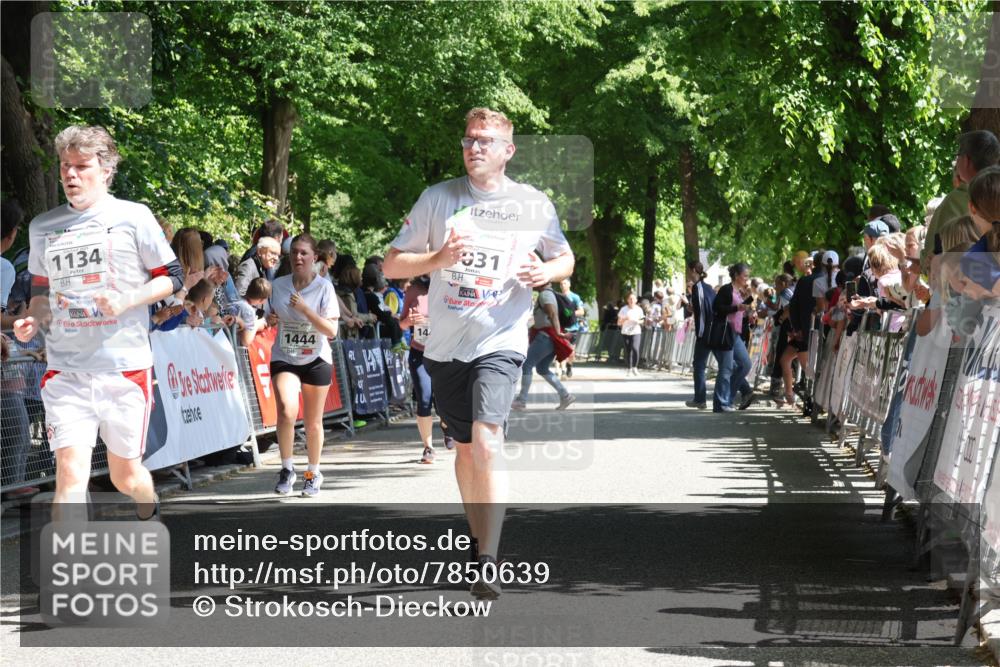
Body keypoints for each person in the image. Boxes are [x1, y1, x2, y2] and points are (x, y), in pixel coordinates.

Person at [382, 106, 574, 600]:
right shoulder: (438, 199)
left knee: (488, 440)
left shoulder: (533, 205)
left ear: (508, 151)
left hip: (501, 339)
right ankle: (477, 540)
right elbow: (392, 265)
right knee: (465, 451)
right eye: (468, 140)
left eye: (485, 141)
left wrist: (546, 274)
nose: (474, 148)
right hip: (445, 347)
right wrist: (438, 259)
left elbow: (563, 256)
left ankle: (488, 560)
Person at [13, 125, 184, 519]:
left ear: (105, 170)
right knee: (70, 477)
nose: (70, 175)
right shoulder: (43, 227)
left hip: (123, 370)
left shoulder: (133, 217)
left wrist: (127, 299)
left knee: (126, 477)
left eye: (81, 166)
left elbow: (172, 276)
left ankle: (148, 504)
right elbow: (41, 292)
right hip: (66, 370)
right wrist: (32, 320)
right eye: (64, 166)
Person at [265, 234, 339, 497]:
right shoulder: (279, 284)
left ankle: (312, 472)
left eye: (304, 253)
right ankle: (287, 468)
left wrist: (307, 310)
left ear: (314, 257)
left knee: (313, 422)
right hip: (285, 355)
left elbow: (331, 330)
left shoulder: (323, 288)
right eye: (294, 252)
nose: (298, 257)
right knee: (286, 410)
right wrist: (270, 319)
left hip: (316, 358)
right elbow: (268, 316)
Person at [922, 130, 1000, 270]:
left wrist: (925, 263)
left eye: (958, 156)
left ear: (967, 160)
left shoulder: (958, 199)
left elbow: (937, 254)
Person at [511, 284, 576, 410]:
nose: (532, 283)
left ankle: (521, 400)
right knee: (542, 368)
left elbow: (552, 313)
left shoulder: (545, 295)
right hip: (550, 337)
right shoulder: (550, 294)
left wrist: (557, 332)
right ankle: (565, 396)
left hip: (546, 337)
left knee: (527, 365)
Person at [399, 275, 438, 464]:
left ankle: (448, 430)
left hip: (444, 353)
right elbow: (402, 323)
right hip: (419, 351)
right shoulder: (413, 290)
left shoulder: (450, 285)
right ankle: (428, 447)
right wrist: (410, 320)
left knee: (443, 401)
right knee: (424, 398)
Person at [711, 263, 754, 413]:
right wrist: (737, 308)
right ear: (736, 276)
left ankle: (728, 398)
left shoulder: (740, 291)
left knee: (745, 364)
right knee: (726, 368)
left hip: (736, 333)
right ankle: (721, 403)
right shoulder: (726, 289)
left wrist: (747, 307)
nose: (747, 279)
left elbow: (740, 309)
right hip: (725, 332)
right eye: (745, 276)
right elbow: (717, 307)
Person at [685, 260, 718, 410]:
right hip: (714, 330)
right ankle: (745, 390)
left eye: (689, 271)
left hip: (705, 332)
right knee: (725, 364)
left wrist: (701, 333)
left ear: (693, 270)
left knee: (699, 365)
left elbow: (703, 311)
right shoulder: (708, 287)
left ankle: (700, 398)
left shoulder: (697, 288)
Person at [558, 278, 585, 377]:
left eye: (564, 283)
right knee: (562, 349)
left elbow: (581, 311)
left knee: (571, 352)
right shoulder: (558, 297)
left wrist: (570, 314)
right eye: (561, 284)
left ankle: (569, 365)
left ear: (569, 284)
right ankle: (563, 371)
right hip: (561, 328)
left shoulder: (575, 297)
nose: (562, 285)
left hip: (573, 327)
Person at [617, 291, 644, 376]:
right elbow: (618, 323)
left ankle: (635, 367)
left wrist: (637, 321)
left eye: (633, 299)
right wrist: (624, 319)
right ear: (627, 300)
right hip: (626, 332)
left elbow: (642, 320)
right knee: (628, 350)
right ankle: (629, 368)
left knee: (635, 348)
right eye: (630, 299)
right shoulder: (623, 309)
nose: (632, 300)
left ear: (636, 300)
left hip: (636, 331)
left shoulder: (639, 309)